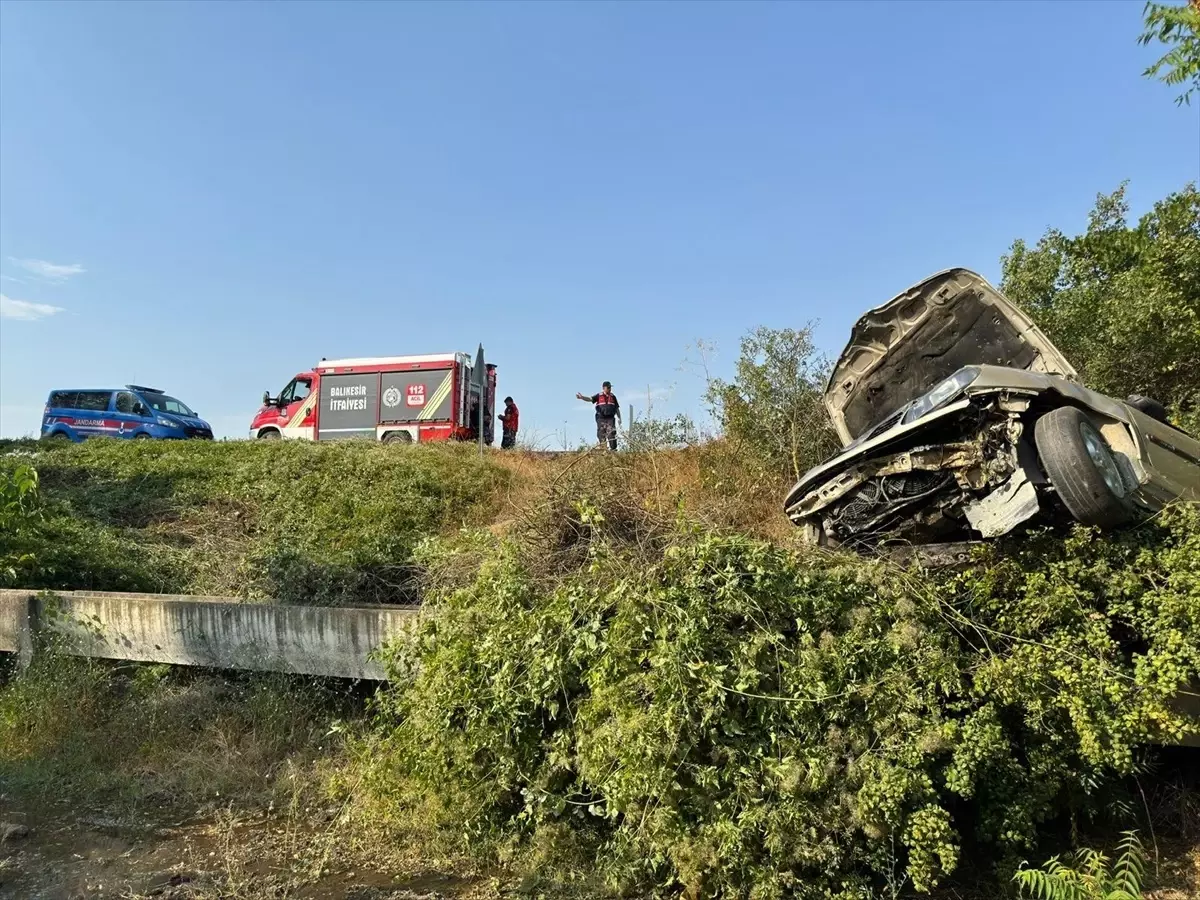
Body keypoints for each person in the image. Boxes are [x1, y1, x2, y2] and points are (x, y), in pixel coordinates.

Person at [576, 381, 620, 450]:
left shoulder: (613, 397)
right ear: (603, 388)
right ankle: (604, 449)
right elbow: (590, 399)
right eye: (608, 387)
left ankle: (613, 449)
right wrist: (582, 397)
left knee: (611, 433)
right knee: (601, 433)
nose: (610, 389)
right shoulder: (599, 396)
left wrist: (619, 418)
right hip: (601, 418)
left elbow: (617, 408)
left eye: (610, 387)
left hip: (610, 418)